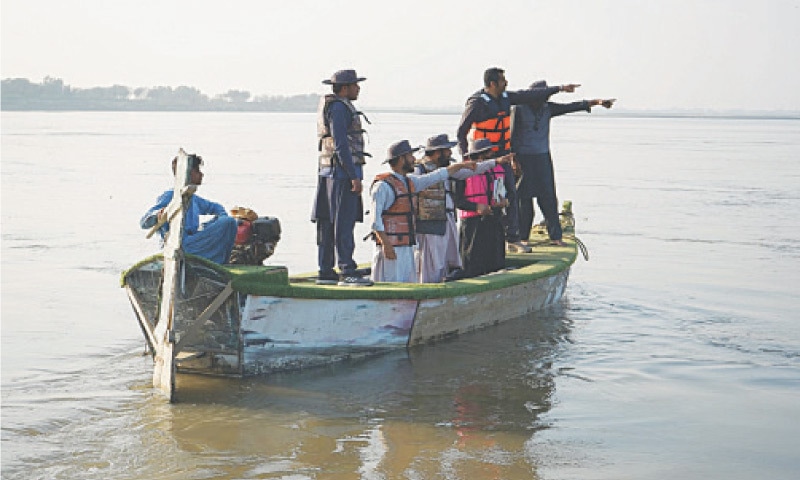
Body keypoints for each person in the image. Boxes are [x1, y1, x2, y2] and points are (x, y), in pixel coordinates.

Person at [456, 67, 580, 253]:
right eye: (503, 80)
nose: (506, 83)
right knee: (487, 195)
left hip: (503, 157)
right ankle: (491, 238)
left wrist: (560, 88)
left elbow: (529, 94)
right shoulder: (477, 104)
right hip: (483, 157)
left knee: (511, 195)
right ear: (492, 84)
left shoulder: (506, 98)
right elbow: (461, 132)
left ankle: (513, 238)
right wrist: (466, 158)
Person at [511, 80, 615, 246]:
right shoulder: (519, 109)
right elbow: (512, 136)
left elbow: (570, 107)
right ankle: (523, 237)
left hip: (542, 157)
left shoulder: (547, 108)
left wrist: (597, 102)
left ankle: (555, 237)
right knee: (524, 200)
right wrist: (514, 160)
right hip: (523, 158)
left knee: (548, 197)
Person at [370, 140, 476, 283]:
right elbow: (376, 221)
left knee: (408, 281)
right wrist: (386, 245)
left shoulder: (410, 182)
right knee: (389, 281)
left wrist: (461, 166)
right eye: (410, 156)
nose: (414, 159)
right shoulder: (383, 186)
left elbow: (436, 176)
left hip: (406, 247)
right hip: (391, 248)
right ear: (402, 159)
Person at [414, 133, 511, 283]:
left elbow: (472, 170)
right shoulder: (419, 171)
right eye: (447, 150)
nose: (450, 153)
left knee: (445, 259)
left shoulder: (450, 170)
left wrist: (496, 162)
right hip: (429, 223)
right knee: (430, 259)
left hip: (447, 220)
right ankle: (428, 288)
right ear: (437, 152)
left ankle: (443, 283)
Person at [311, 69, 373, 286]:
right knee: (342, 223)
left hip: (328, 172)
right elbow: (341, 144)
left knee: (327, 222)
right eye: (355, 85)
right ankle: (346, 270)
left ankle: (326, 271)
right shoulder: (339, 108)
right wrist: (353, 176)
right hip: (340, 174)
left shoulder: (333, 106)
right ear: (345, 88)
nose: (359, 88)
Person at [140, 154, 237, 264]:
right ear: (189, 173)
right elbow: (143, 222)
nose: (202, 174)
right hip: (181, 245)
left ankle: (218, 261)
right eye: (198, 171)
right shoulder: (171, 196)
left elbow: (216, 207)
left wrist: (221, 217)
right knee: (228, 222)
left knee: (229, 222)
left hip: (193, 240)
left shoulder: (193, 198)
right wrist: (157, 215)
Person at [454, 138, 517, 278]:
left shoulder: (499, 169)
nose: (492, 154)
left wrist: (505, 202)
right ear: (481, 154)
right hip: (472, 224)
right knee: (471, 263)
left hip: (494, 220)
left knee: (495, 262)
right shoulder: (463, 172)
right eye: (489, 151)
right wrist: (476, 207)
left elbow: (510, 194)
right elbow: (458, 201)